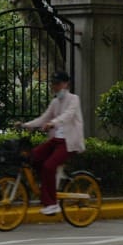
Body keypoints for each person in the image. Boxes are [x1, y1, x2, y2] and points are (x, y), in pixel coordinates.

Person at [17, 70, 84, 215]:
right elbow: (43, 118)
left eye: (58, 83)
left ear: (66, 84)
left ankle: (53, 204)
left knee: (48, 166)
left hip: (68, 142)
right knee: (33, 156)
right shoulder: (55, 102)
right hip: (55, 141)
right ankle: (46, 189)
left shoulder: (74, 99)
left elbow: (68, 115)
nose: (54, 86)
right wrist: (25, 125)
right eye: (53, 83)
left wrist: (53, 123)